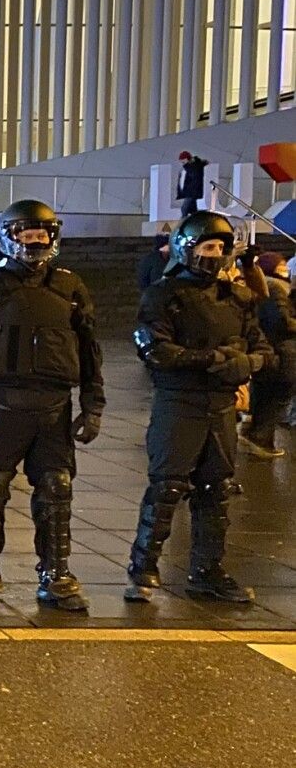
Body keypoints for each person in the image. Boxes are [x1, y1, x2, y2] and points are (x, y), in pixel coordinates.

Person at [0, 200, 104, 612]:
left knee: (57, 488)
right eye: (25, 234)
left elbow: (89, 351)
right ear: (8, 237)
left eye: (42, 234)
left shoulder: (70, 288)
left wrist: (93, 405)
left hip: (53, 408)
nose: (34, 242)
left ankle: (56, 575)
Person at [126, 213, 272, 604]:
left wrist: (246, 364)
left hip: (221, 406)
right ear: (187, 249)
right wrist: (210, 359)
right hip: (179, 403)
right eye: (208, 247)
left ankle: (207, 570)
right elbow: (155, 350)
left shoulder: (236, 298)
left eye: (221, 249)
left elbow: (261, 347)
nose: (216, 255)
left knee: (216, 490)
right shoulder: (164, 294)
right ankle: (144, 568)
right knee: (167, 487)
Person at [241, 251, 296, 459]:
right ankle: (260, 437)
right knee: (277, 395)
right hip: (281, 350)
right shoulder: (275, 287)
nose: (284, 268)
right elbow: (281, 321)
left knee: (269, 393)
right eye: (280, 265)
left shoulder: (274, 286)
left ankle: (256, 433)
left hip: (274, 349)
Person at [178, 151, 208, 216]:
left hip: (191, 193)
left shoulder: (192, 167)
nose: (182, 162)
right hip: (192, 193)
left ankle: (183, 224)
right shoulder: (193, 166)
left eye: (182, 160)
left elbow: (194, 179)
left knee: (184, 209)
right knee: (192, 210)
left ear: (186, 159)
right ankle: (194, 223)